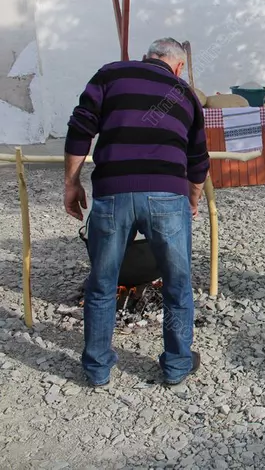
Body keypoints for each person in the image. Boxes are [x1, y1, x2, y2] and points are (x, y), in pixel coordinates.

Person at [63, 37, 210, 387]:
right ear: (178, 66)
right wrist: (192, 200)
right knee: (177, 284)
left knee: (102, 284)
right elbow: (198, 161)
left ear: (146, 57)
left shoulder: (111, 74)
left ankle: (97, 369)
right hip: (167, 195)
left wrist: (71, 183)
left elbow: (80, 128)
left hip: (113, 191)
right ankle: (177, 365)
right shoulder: (185, 93)